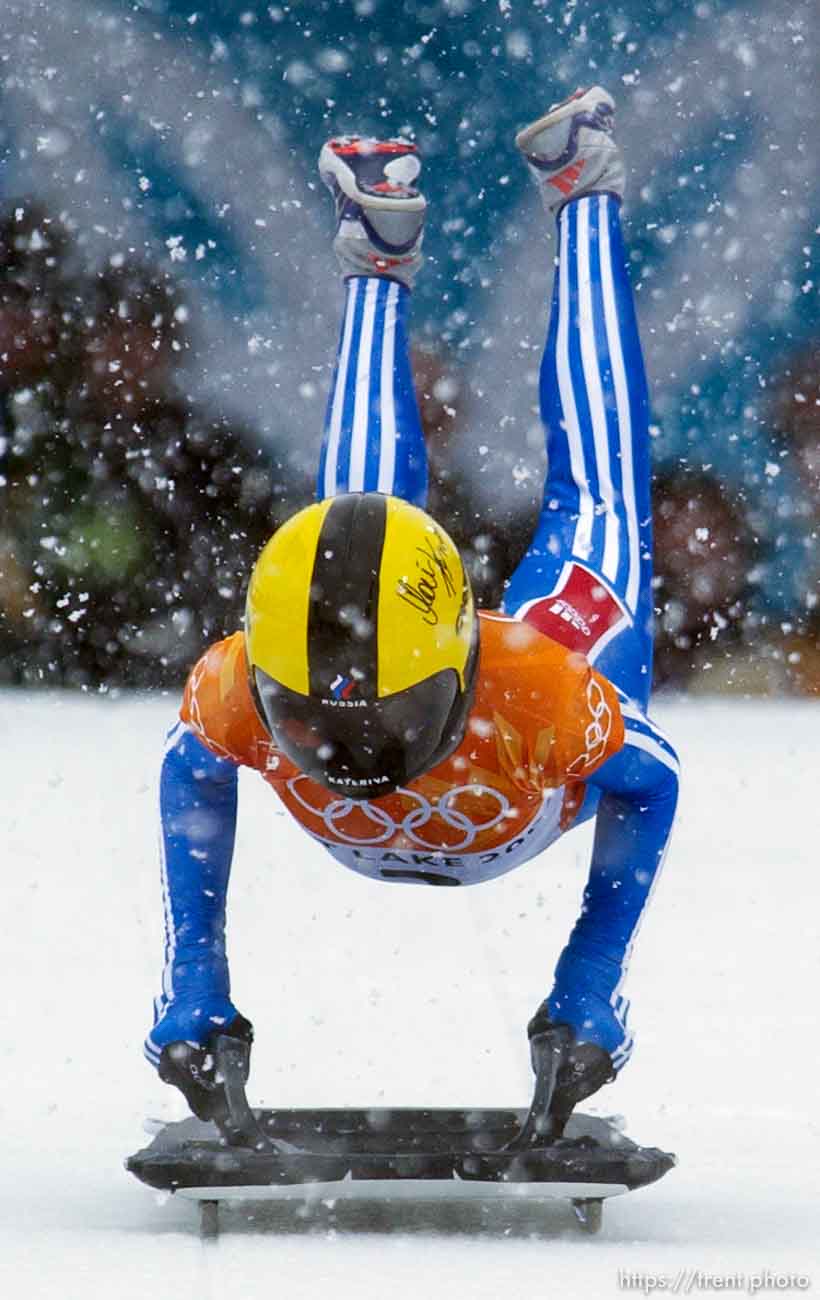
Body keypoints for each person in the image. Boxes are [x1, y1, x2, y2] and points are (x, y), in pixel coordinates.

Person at [145, 88, 680, 1133]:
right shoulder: (243, 678)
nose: (348, 742)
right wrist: (193, 980)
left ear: (465, 665)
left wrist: (589, 981)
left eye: (379, 717)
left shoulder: (541, 688)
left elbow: (650, 785)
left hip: (526, 720)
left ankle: (546, 202)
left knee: (596, 500)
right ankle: (512, 207)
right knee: (540, 505)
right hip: (504, 776)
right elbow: (191, 759)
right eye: (308, 711)